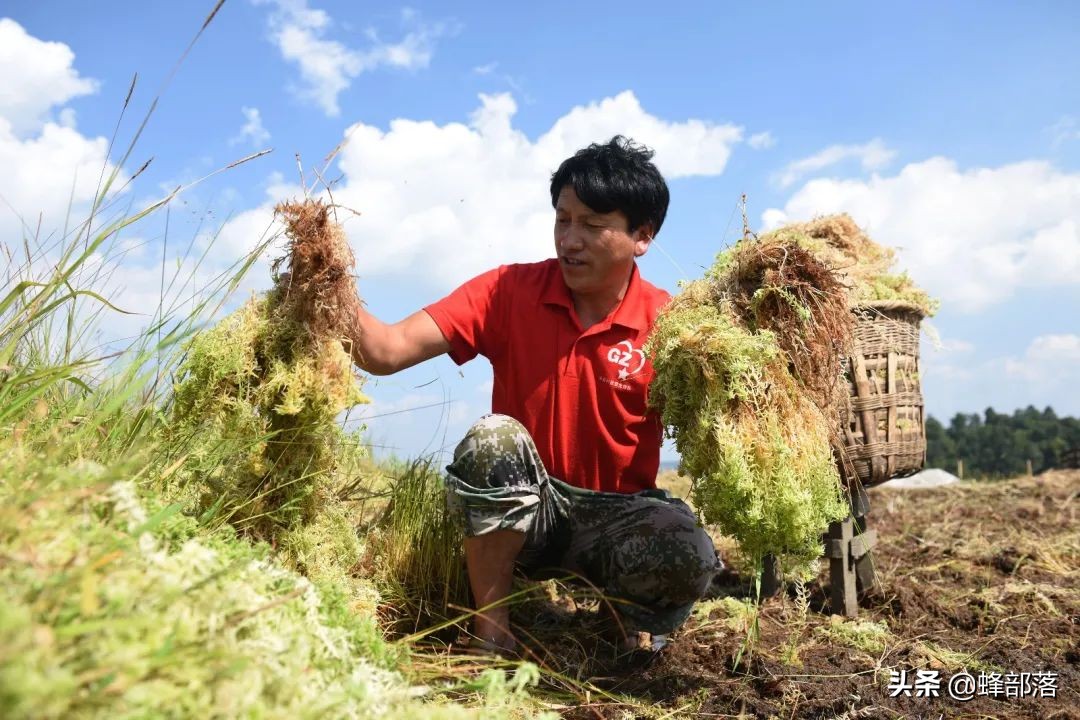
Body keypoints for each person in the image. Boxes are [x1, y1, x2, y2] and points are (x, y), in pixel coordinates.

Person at [349, 136, 718, 656]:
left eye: (592, 225)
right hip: (527, 514)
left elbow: (728, 425)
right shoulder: (507, 291)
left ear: (642, 236)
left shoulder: (676, 327)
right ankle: (492, 631)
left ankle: (623, 621)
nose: (570, 240)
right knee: (493, 439)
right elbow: (384, 350)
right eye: (562, 220)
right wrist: (326, 278)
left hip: (616, 520)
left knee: (687, 548)